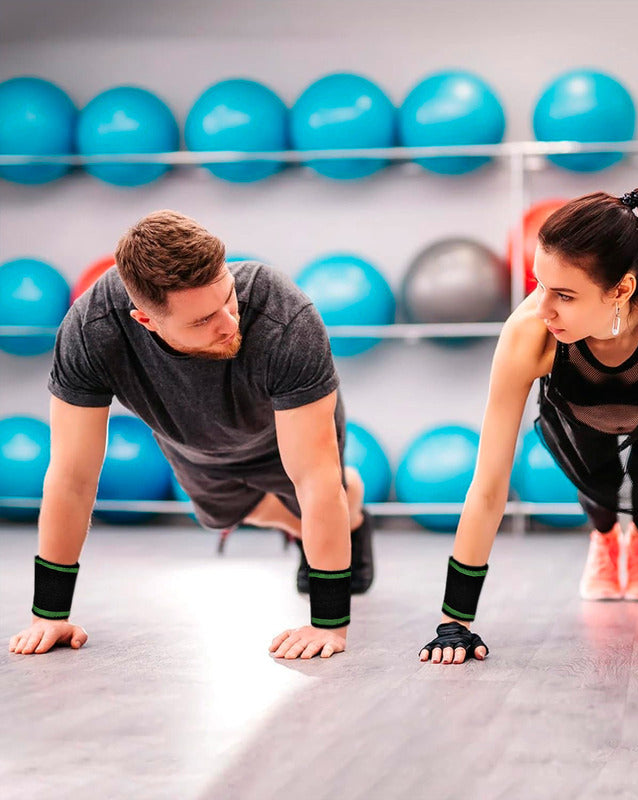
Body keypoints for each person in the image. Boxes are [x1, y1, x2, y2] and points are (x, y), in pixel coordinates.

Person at [419, 189, 638, 671]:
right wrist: (453, 624)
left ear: (622, 289)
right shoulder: (529, 331)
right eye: (539, 284)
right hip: (579, 409)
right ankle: (608, 540)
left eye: (564, 295)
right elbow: (488, 488)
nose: (543, 308)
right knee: (602, 490)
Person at [8, 210, 374, 661]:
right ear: (145, 320)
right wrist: (49, 613)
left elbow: (316, 479)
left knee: (327, 492)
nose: (229, 323)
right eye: (203, 321)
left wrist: (328, 624)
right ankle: (316, 523)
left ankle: (349, 510)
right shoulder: (93, 331)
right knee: (221, 517)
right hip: (191, 439)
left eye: (228, 298)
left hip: (285, 430)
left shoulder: (284, 316)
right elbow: (72, 477)